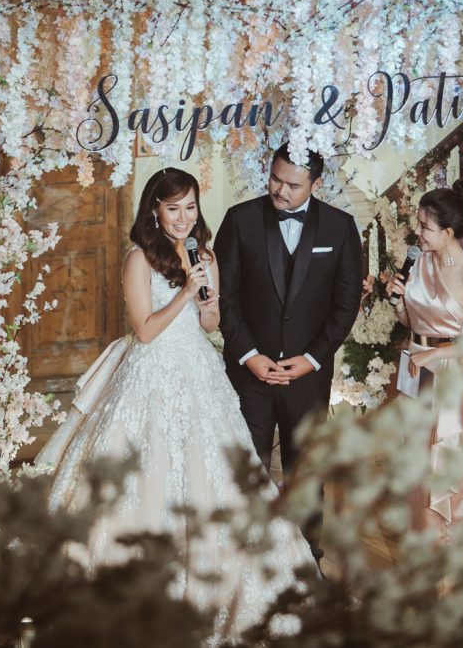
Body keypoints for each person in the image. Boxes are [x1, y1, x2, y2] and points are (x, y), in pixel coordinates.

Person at [36, 167, 315, 635]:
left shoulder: (205, 255)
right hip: (151, 373)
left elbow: (210, 324)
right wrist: (186, 291)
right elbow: (145, 331)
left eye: (190, 207)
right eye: (173, 208)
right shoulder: (138, 260)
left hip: (198, 370)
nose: (184, 218)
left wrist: (207, 304)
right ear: (155, 211)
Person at [214, 145, 363, 560]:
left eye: (292, 185)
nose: (280, 190)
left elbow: (346, 304)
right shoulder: (240, 220)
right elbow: (225, 298)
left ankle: (307, 559)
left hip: (308, 377)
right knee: (247, 466)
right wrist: (249, 355)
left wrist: (311, 359)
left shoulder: (340, 227)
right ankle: (245, 559)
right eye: (275, 179)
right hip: (249, 375)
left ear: (317, 184)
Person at [386, 186, 463, 537]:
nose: (417, 232)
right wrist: (397, 302)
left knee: (441, 470)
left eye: (425, 227)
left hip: (447, 379)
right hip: (415, 371)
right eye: (418, 223)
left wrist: (438, 353)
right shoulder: (419, 262)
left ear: (448, 233)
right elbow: (412, 321)